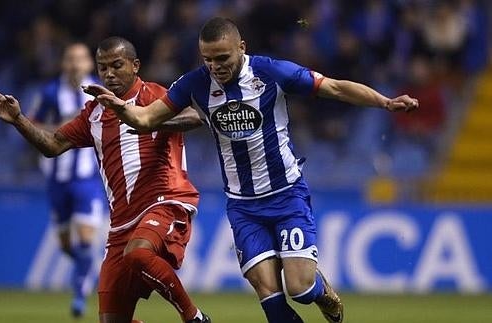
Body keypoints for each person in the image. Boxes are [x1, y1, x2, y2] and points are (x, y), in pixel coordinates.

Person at [84, 17, 419, 323]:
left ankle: (323, 291)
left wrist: (385, 102)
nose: (215, 67)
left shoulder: (272, 72)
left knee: (300, 289)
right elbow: (145, 119)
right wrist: (122, 109)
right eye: (208, 59)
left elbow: (333, 87)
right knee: (272, 301)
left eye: (222, 58)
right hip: (243, 206)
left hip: (287, 195)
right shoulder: (195, 84)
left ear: (241, 48)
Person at [0, 36, 211, 323]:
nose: (109, 74)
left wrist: (147, 120)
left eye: (117, 65)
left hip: (164, 202)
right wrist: (19, 120)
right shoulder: (94, 113)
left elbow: (194, 117)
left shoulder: (153, 96)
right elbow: (52, 145)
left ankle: (195, 317)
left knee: (138, 255)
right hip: (121, 222)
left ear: (135, 65)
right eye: (103, 68)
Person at [27, 42, 107, 318]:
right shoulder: (49, 93)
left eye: (81, 59)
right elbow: (30, 124)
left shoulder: (98, 90)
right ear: (64, 63)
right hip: (57, 179)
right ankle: (87, 273)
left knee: (85, 237)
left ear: (88, 64)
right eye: (70, 58)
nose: (75, 64)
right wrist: (62, 126)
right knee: (65, 245)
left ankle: (80, 293)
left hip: (87, 179)